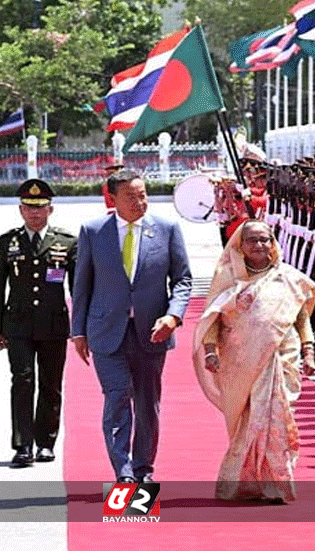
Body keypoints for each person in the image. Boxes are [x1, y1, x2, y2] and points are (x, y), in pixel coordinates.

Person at [71, 169, 192, 483]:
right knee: (118, 396)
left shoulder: (166, 229)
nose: (140, 202)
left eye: (143, 194)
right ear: (113, 199)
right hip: (106, 333)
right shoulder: (93, 230)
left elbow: (182, 280)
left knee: (147, 403)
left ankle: (143, 469)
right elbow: (81, 285)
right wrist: (79, 330)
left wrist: (173, 316)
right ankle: (124, 472)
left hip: (152, 333)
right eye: (131, 196)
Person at [193, 220, 315, 503]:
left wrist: (308, 350)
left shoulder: (289, 277)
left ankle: (276, 485)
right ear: (240, 244)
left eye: (265, 239)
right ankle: (243, 485)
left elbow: (301, 318)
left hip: (281, 358)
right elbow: (213, 318)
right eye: (252, 240)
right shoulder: (227, 276)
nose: (259, 245)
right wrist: (211, 351)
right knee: (249, 422)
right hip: (240, 361)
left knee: (276, 419)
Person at [0, 179, 77, 467]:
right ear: (20, 210)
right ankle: (22, 445)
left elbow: (78, 288)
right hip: (17, 324)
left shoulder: (66, 242)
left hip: (53, 324)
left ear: (51, 209)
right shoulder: (7, 243)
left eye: (41, 208)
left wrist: (81, 326)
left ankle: (45, 442)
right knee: (21, 381)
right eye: (29, 208)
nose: (35, 214)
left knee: (50, 383)